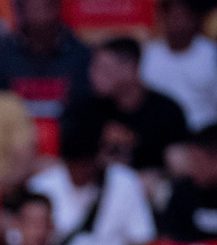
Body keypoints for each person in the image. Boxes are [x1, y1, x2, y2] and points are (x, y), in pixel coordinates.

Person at [27, 121, 155, 245]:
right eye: (72, 166)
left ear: (97, 159)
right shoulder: (42, 186)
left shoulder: (125, 182)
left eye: (84, 165)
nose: (78, 172)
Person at [66, 37, 189, 177]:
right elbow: (71, 164)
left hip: (149, 188)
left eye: (103, 68)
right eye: (93, 66)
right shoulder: (85, 109)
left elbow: (180, 169)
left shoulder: (166, 111)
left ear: (131, 68)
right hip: (96, 190)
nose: (92, 74)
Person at [0, 0, 91, 120]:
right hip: (16, 136)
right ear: (23, 10)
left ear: (57, 8)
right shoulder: (3, 55)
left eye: (45, 8)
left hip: (69, 136)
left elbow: (86, 107)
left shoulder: (81, 55)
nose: (41, 16)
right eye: (34, 8)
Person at [140, 0, 217, 132]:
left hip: (204, 133)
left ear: (196, 19)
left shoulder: (213, 54)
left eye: (182, 15)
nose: (177, 22)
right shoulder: (148, 54)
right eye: (171, 15)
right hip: (160, 136)